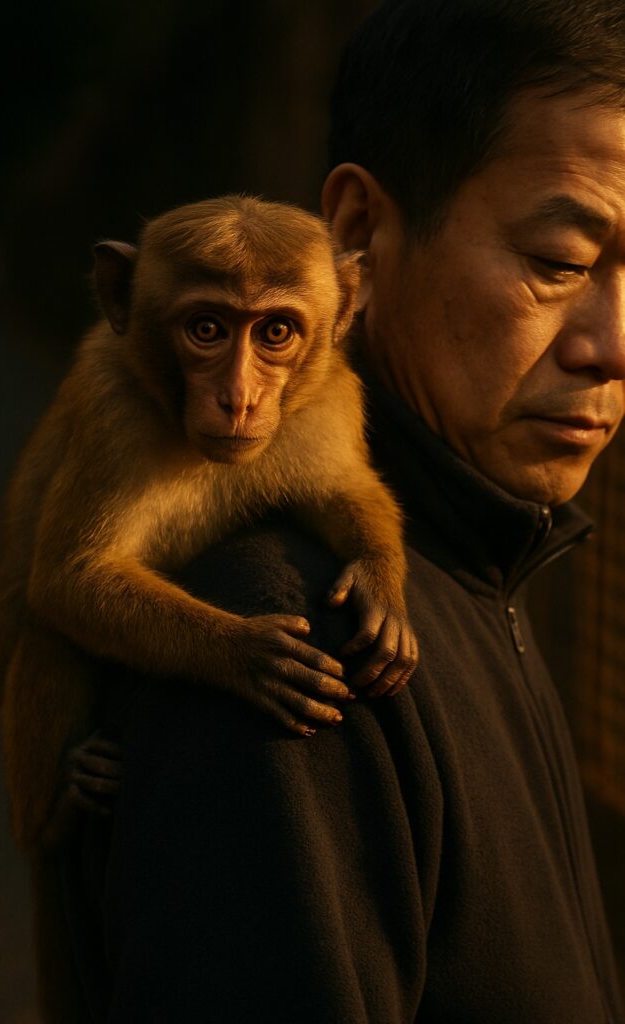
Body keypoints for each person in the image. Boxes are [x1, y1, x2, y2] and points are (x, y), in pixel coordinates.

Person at [68, 1, 625, 1020]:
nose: (612, 345)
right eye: (559, 261)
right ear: (359, 238)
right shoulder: (292, 650)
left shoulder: (482, 559)